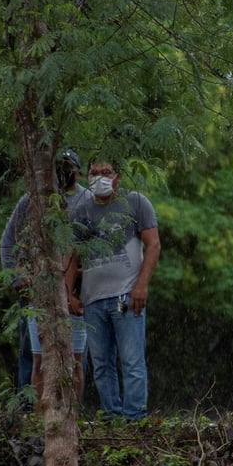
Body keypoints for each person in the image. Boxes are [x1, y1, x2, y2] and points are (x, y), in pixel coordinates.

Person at [66, 157, 161, 421]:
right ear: (86, 176)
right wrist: (69, 293)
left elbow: (153, 245)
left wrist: (141, 285)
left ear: (117, 176)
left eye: (106, 172)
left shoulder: (136, 203)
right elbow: (71, 256)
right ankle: (111, 416)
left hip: (126, 296)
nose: (100, 177)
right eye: (94, 172)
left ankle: (135, 418)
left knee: (131, 361)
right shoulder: (81, 212)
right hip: (92, 299)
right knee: (101, 364)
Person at [0, 148, 91, 403]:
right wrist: (16, 279)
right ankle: (29, 409)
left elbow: (90, 249)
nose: (63, 172)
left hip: (75, 292)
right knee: (33, 351)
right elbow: (8, 241)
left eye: (67, 167)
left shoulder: (87, 201)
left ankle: (71, 410)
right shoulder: (32, 199)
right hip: (35, 287)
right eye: (58, 166)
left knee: (75, 355)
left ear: (78, 172)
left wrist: (79, 285)